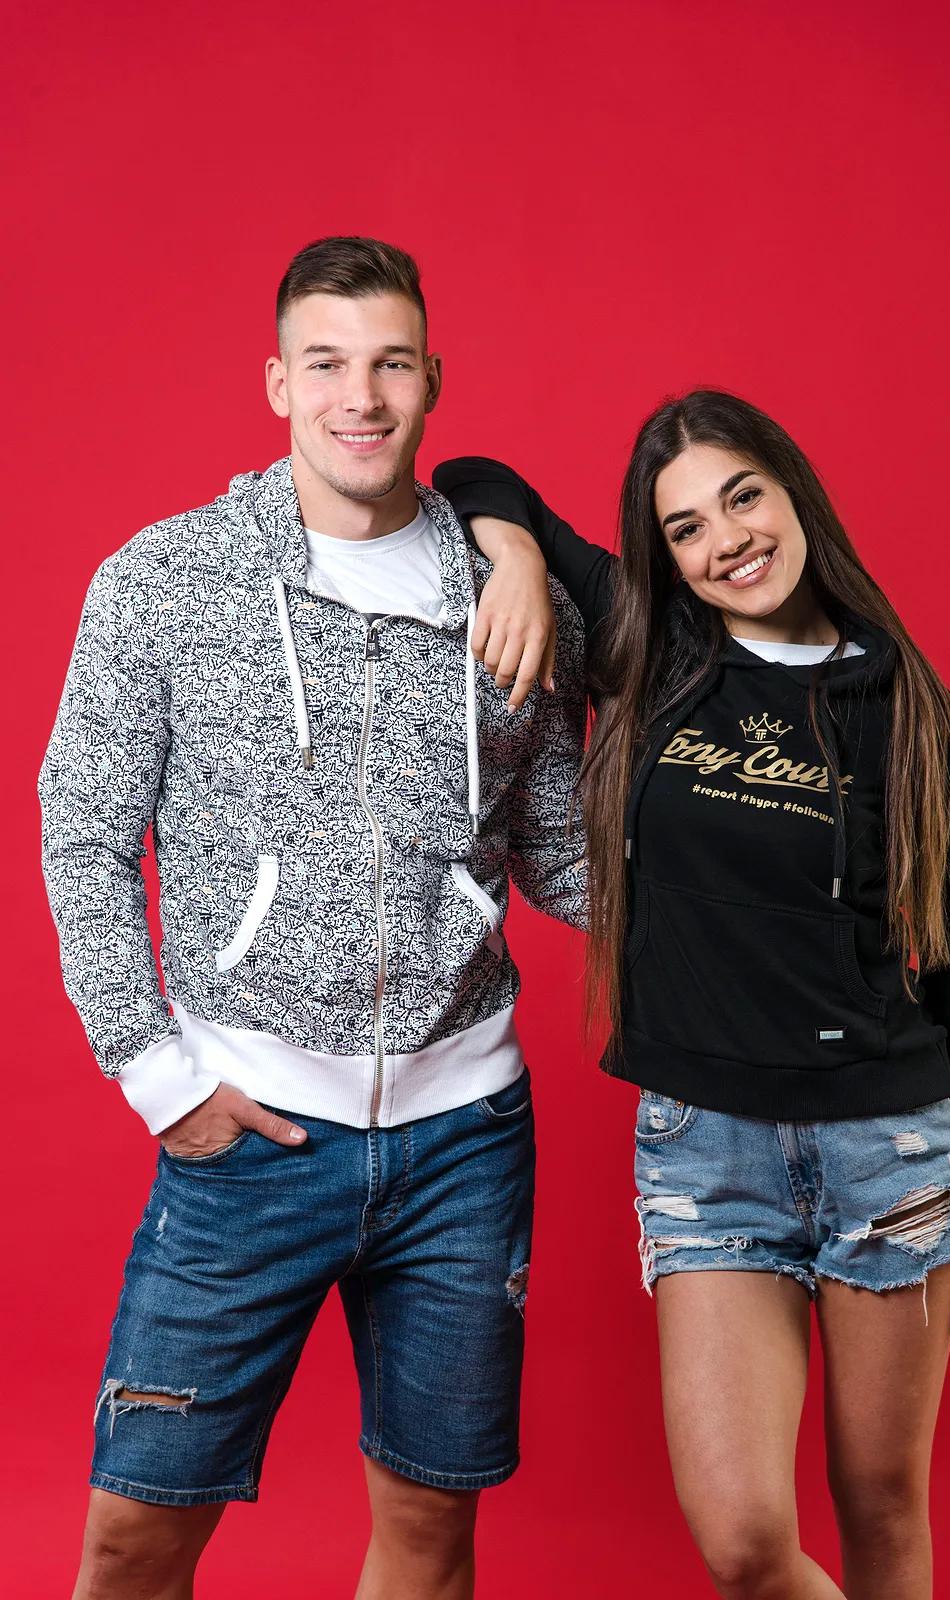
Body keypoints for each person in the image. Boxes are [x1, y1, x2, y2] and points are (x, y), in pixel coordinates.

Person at [39, 235, 586, 1600]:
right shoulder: (165, 581)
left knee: (430, 1533)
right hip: (249, 1140)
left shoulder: (508, 600)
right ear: (278, 384)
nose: (362, 396)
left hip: (466, 1142)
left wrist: (761, 893)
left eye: (391, 364)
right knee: (131, 1541)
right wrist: (157, 1077)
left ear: (433, 381)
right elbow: (84, 834)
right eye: (328, 364)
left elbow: (560, 853)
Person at [433, 391, 950, 1600]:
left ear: (793, 489)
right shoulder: (656, 649)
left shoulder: (919, 714)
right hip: (707, 1153)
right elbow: (474, 473)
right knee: (746, 1541)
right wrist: (515, 559)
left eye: (743, 497)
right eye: (687, 527)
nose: (727, 541)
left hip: (895, 1152)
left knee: (882, 1508)